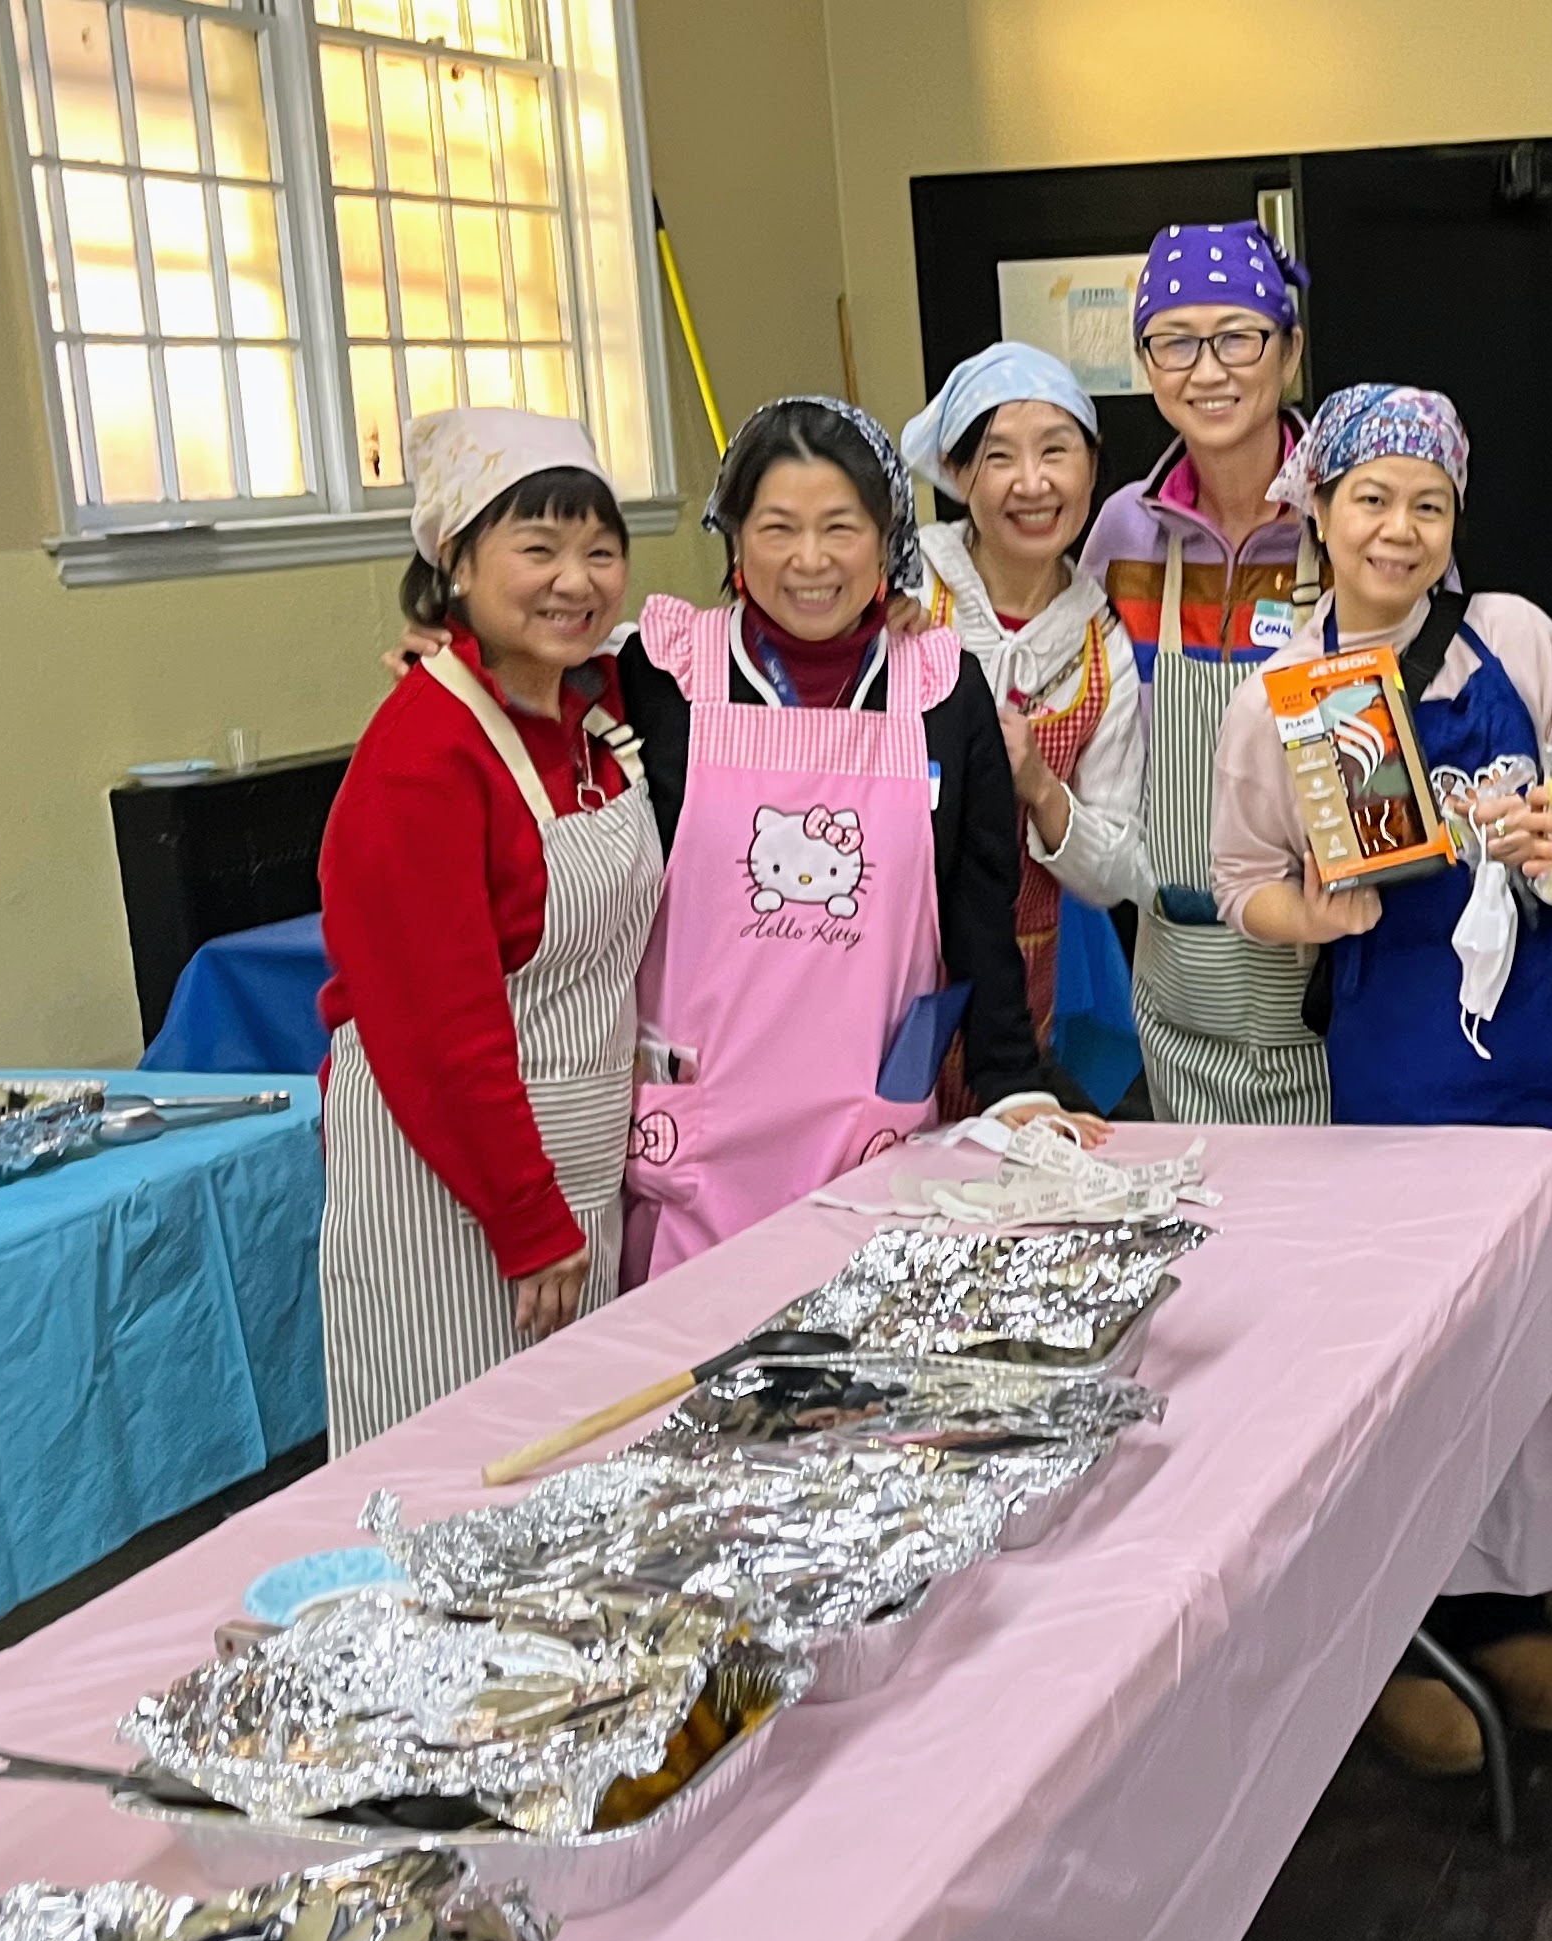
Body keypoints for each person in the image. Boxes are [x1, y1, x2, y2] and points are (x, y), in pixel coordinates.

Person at [1208, 383, 1552, 1774]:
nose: (1399, 530)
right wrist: (1314, 911)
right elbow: (1238, 882)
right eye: (1372, 501)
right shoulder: (1282, 697)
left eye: (1429, 506)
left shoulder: (1512, 636)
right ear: (1320, 512)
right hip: (1402, 1059)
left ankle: (1512, 1607)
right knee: (1423, 1355)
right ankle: (1403, 1631)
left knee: (1550, 1344)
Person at [612, 397, 1096, 1277]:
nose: (810, 560)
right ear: (734, 538)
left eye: (841, 526)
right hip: (696, 1145)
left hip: (869, 1141)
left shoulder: (943, 691)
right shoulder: (658, 677)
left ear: (888, 540)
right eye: (777, 527)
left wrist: (1013, 1085)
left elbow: (978, 917)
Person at [317, 410, 662, 1450]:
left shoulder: (593, 713)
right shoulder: (423, 752)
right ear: (456, 562)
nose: (575, 581)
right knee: (456, 1470)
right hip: (452, 1188)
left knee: (570, 1460)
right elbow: (436, 1028)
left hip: (573, 1169)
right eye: (538, 549)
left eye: (600, 551)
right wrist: (526, 1219)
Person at [1075, 222, 1329, 1126]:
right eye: (1175, 342)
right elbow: (1050, 663)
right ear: (1147, 365)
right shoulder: (1121, 533)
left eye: (1237, 337)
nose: (1208, 370)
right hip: (1177, 975)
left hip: (1332, 969)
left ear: (1289, 351)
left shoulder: (1354, 512)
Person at [898, 343, 1150, 1045]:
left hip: (1022, 978)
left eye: (1056, 451)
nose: (1032, 483)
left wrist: (1040, 785)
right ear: (956, 473)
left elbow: (1117, 870)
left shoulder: (1102, 643)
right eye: (999, 456)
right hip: (886, 958)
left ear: (1092, 465)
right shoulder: (905, 589)